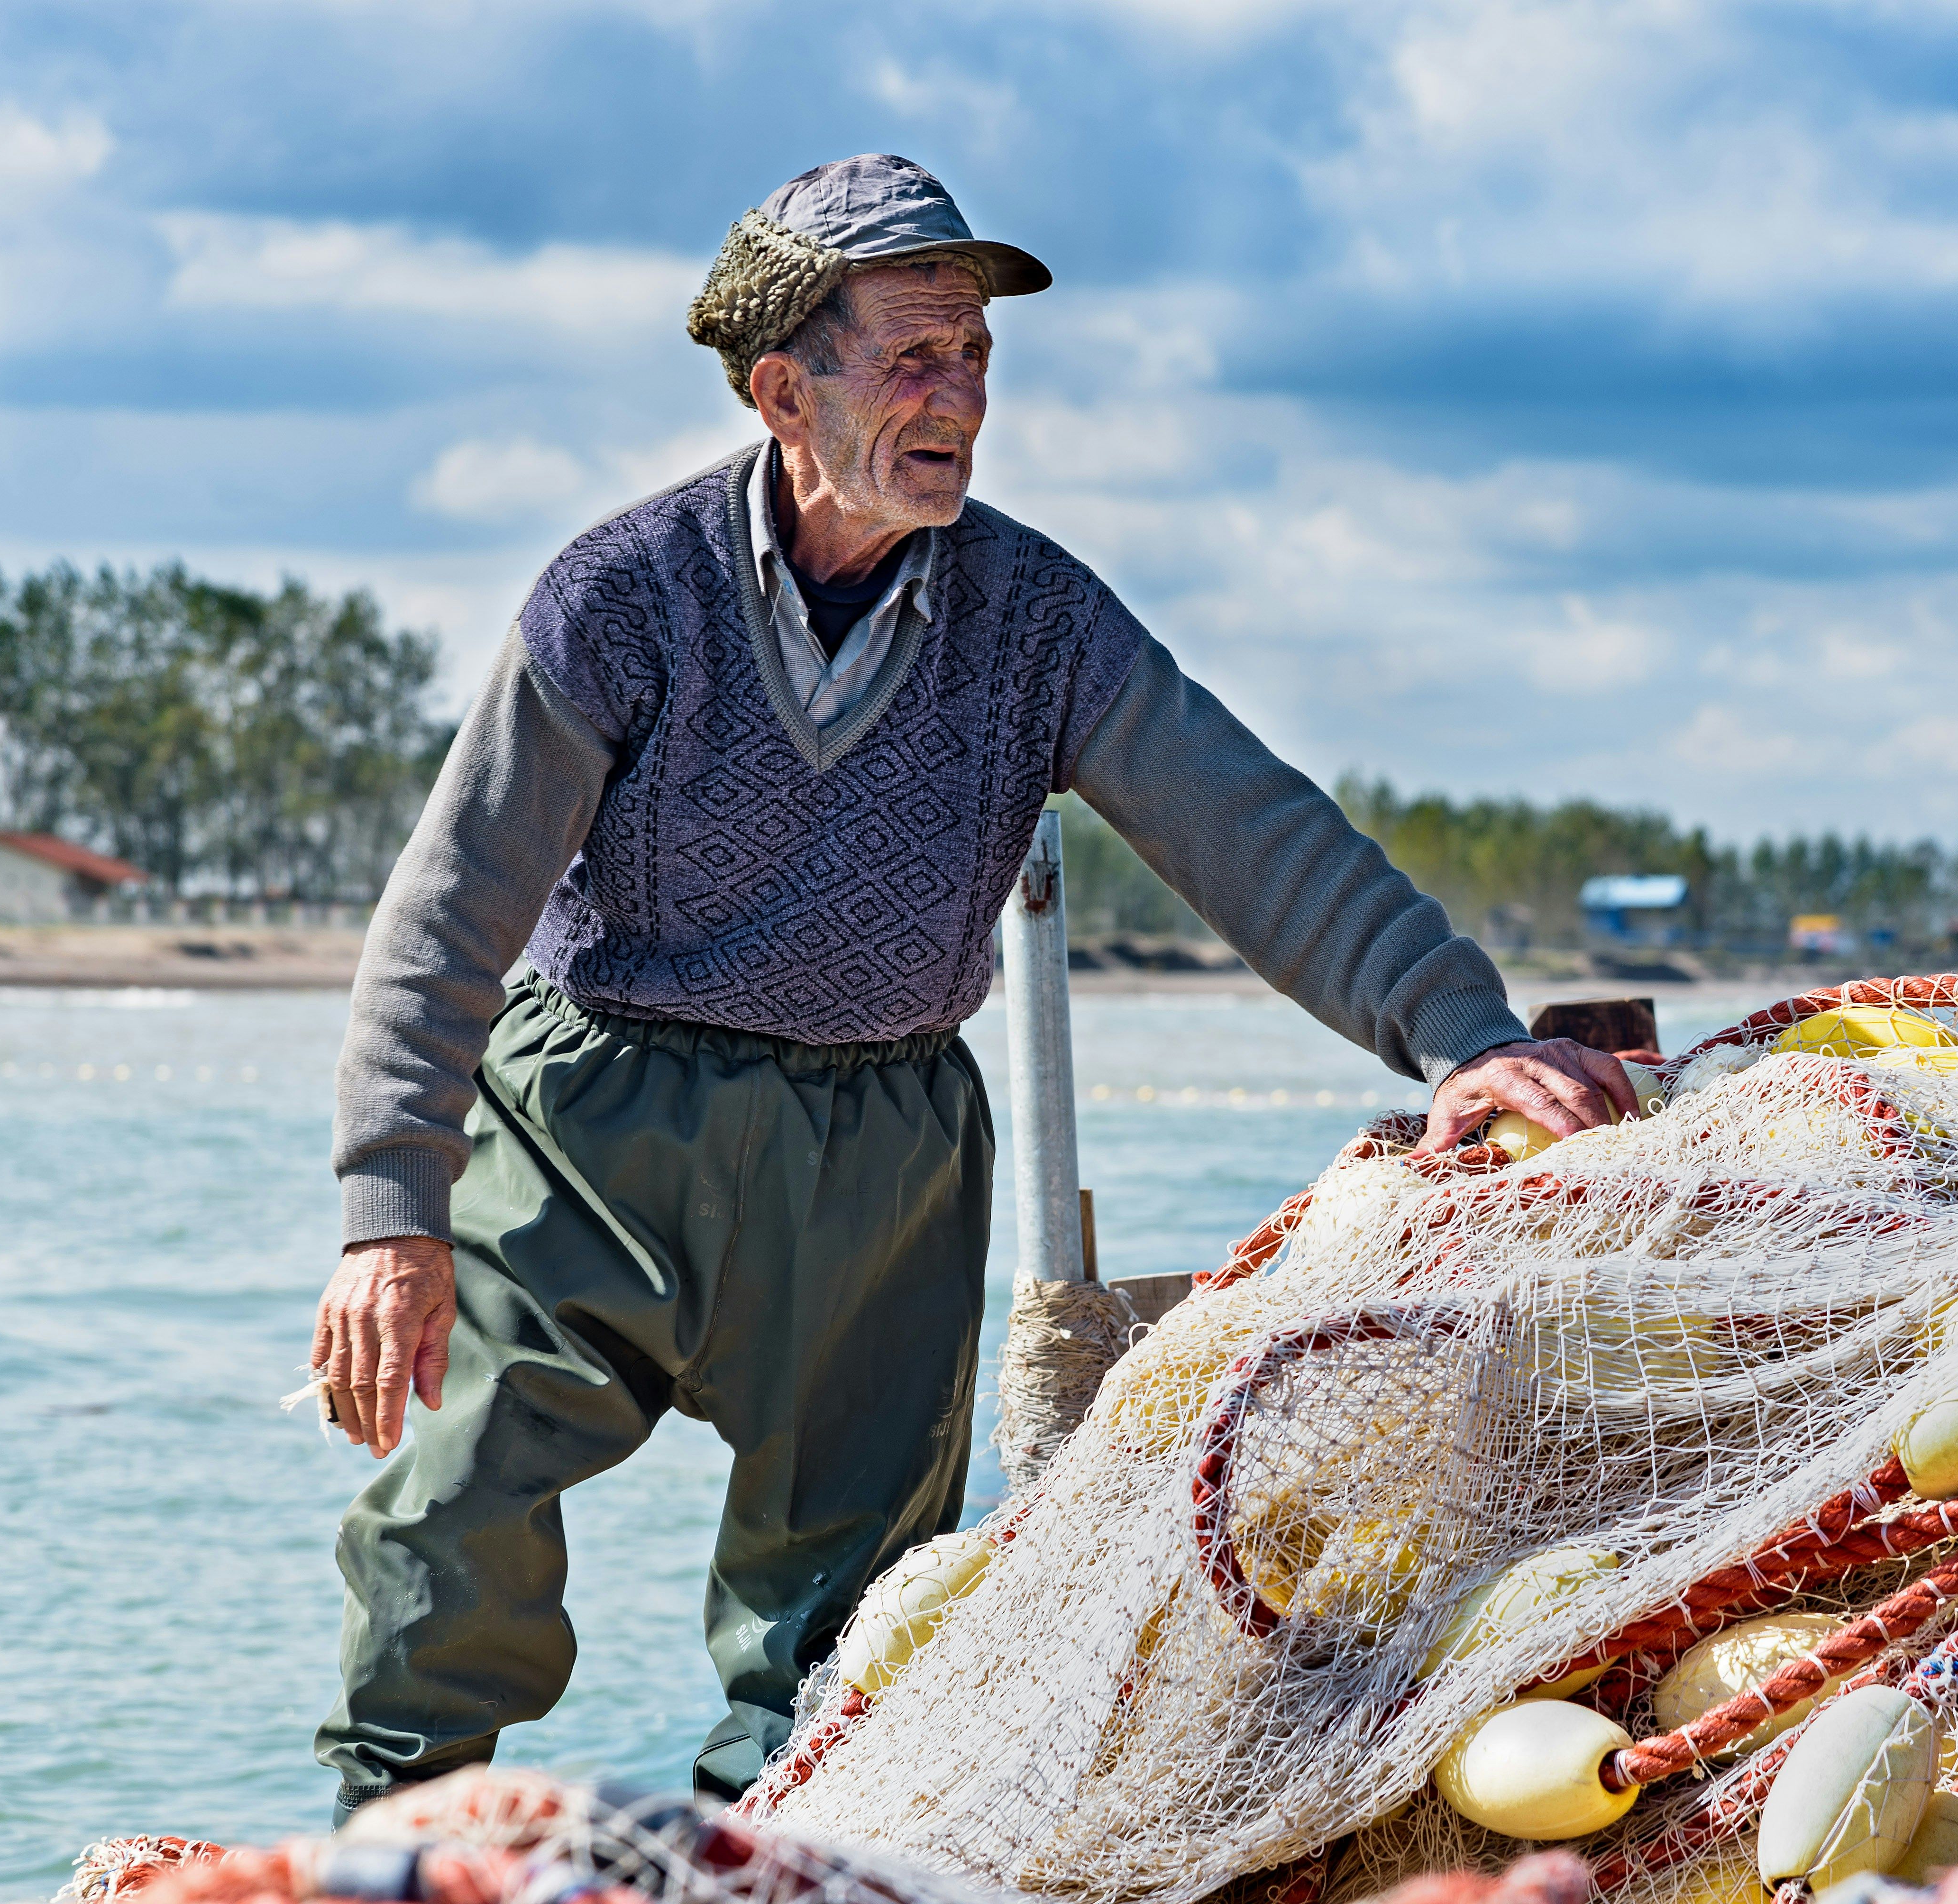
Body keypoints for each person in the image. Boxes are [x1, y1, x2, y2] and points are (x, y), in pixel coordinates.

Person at [310, 153, 1638, 1818]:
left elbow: (1249, 830)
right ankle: (386, 1848)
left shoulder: (1039, 618)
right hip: (596, 1118)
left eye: (980, 357)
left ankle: (761, 1857)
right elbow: (446, 916)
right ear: (783, 386)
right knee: (454, 1513)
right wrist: (391, 1210)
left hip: (884, 1148)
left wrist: (1460, 1034)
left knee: (846, 1614)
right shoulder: (621, 597)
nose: (962, 399)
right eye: (914, 357)